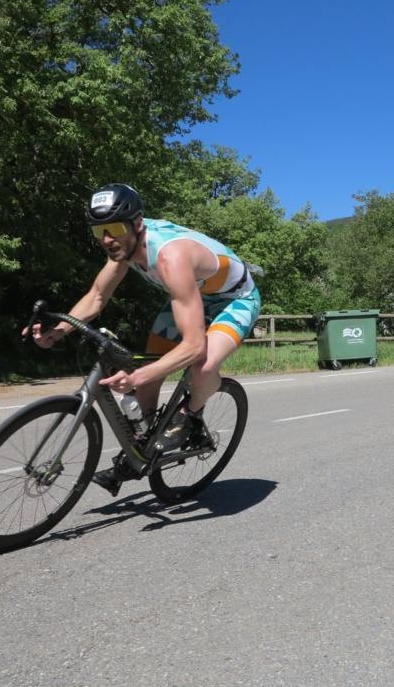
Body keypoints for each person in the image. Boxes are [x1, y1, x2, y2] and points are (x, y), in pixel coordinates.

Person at [29, 183, 261, 496]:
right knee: (150, 377)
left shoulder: (170, 257)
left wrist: (140, 375)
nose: (107, 240)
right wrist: (59, 332)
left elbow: (193, 346)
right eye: (99, 231)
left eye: (113, 229)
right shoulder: (123, 247)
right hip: (190, 295)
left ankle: (190, 417)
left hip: (234, 299)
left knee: (201, 366)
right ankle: (145, 448)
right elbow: (97, 296)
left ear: (137, 224)